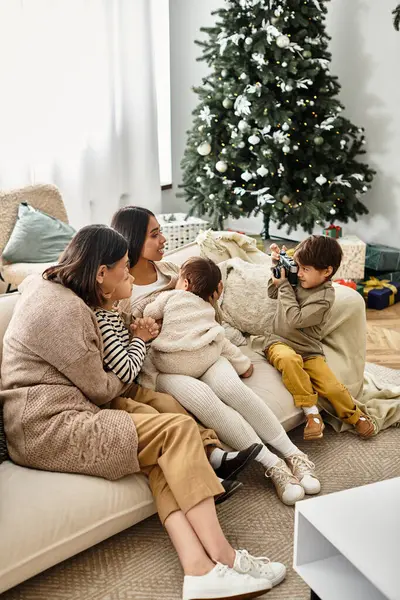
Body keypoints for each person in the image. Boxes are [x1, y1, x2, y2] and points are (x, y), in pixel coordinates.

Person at [0, 224, 287, 600]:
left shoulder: (54, 285)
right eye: (123, 266)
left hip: (65, 410)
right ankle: (225, 557)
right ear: (100, 272)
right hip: (47, 428)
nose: (130, 274)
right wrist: (138, 342)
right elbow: (102, 387)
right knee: (176, 431)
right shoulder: (64, 311)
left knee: (164, 448)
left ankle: (199, 571)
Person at [112, 206, 321, 505]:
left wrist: (214, 300)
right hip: (166, 367)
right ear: (133, 240)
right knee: (208, 402)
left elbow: (209, 316)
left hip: (205, 350)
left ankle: (294, 455)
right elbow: (126, 345)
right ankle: (273, 466)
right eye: (155, 234)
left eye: (161, 232)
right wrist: (144, 329)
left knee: (232, 389)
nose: (163, 240)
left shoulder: (172, 271)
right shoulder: (121, 290)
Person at [94, 257, 262, 501]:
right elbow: (127, 366)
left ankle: (215, 456)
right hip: (130, 380)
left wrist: (140, 331)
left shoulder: (123, 305)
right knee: (167, 416)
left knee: (173, 407)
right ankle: (206, 472)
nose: (129, 276)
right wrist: (141, 336)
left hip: (148, 367)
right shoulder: (110, 312)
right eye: (125, 271)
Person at [266, 236, 375, 441]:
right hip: (277, 341)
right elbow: (272, 292)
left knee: (331, 386)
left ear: (327, 271)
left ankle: (354, 416)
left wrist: (284, 287)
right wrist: (278, 268)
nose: (299, 272)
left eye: (306, 269)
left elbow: (295, 319)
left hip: (309, 349)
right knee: (288, 360)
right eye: (298, 266)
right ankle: (312, 414)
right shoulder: (295, 277)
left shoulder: (324, 297)